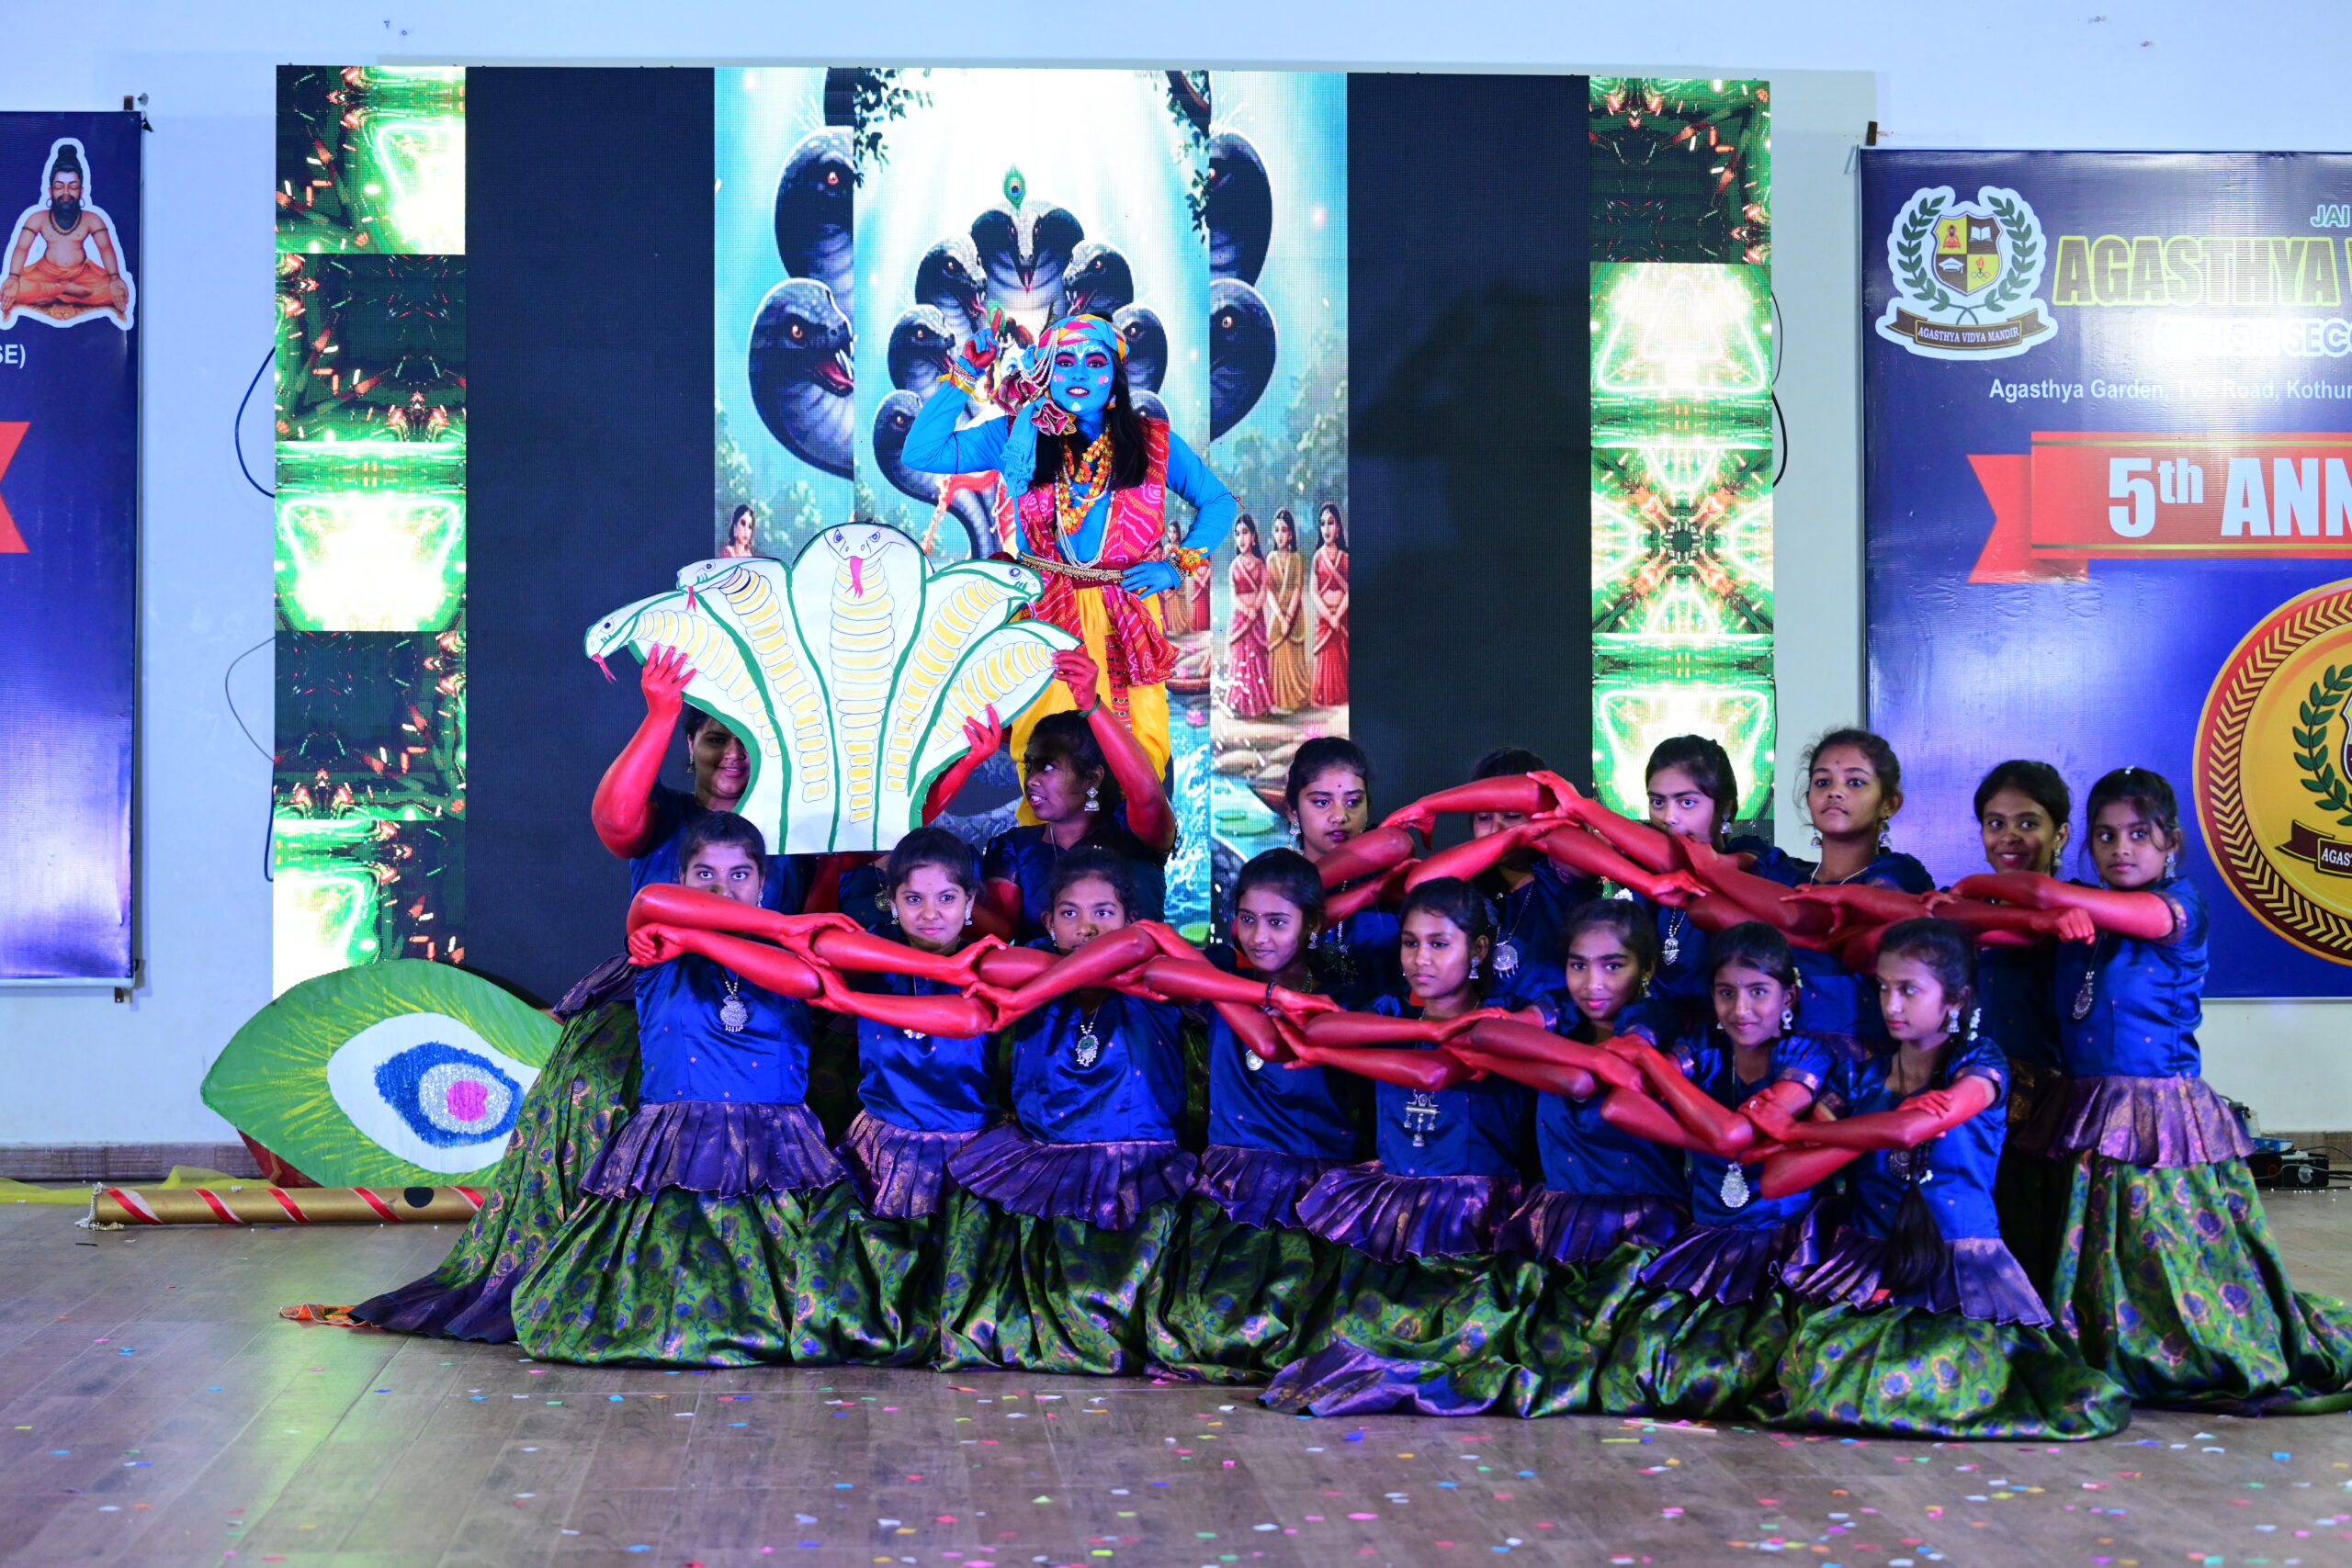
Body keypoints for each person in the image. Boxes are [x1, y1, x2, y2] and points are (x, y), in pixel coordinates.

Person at [509, 815, 988, 1366]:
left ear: (763, 883)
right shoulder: (655, 940)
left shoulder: (796, 951)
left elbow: (810, 980)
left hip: (777, 1150)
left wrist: (956, 967)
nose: (722, 888)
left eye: (739, 875)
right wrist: (728, 931)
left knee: (819, 1300)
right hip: (677, 1147)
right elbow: (654, 902)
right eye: (705, 874)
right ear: (681, 880)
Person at [1952, 768, 2352, 1413]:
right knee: (2100, 1252)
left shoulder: (2177, 907)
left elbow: (2041, 892)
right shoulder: (2083, 914)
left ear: (2172, 841)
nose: (2121, 849)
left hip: (2159, 1116)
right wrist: (1958, 907)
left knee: (2165, 1251)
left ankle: (2187, 1345)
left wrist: (1978, 885)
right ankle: (2115, 1341)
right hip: (2090, 1109)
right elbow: (1988, 927)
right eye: (2106, 835)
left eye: (2139, 833)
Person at [937, 848, 1322, 1374]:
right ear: (1048, 923)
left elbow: (1146, 956)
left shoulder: (1159, 976)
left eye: (1104, 913)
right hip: (1045, 1162)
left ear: (1131, 920)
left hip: (1136, 1169)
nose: (1088, 928)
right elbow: (1000, 965)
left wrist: (1136, 959)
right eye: (1070, 913)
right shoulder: (1028, 967)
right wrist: (1095, 973)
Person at [1753, 919, 2132, 1438]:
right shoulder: (1858, 1079)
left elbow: (1915, 1129)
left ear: (1955, 1000)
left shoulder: (1980, 1065)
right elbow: (1777, 1179)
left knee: (1947, 1372)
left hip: (1961, 1268)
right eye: (1883, 987)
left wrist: (1803, 1130)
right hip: (1869, 1266)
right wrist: (1851, 1133)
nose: (1891, 1005)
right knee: (1823, 1371)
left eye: (1909, 990)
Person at [903, 310, 1238, 778]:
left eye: (1094, 362)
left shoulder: (1152, 442)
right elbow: (921, 452)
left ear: (1115, 376)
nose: (1079, 373)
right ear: (1045, 371)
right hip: (1047, 617)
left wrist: (1175, 566)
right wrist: (965, 372)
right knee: (1048, 765)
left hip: (1128, 616)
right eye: (1064, 362)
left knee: (1136, 766)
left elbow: (1220, 503)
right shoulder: (1014, 434)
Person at [1585, 922, 1832, 1419]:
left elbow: (1736, 1133)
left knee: (1749, 1370)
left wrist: (1653, 1065)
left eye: (1758, 992)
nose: (1740, 1010)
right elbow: (1619, 1106)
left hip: (1781, 1247)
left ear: (1789, 996)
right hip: (1706, 1240)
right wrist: (1714, 1140)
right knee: (1638, 1368)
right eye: (1726, 993)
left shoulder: (1806, 1055)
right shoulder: (1704, 1050)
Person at [1147, 850, 1372, 1382]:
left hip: (1312, 1187)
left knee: (1295, 1331)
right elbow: (1159, 968)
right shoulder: (1223, 981)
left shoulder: (1339, 1000)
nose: (1259, 937)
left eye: (1277, 922)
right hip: (1231, 1178)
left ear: (1311, 926)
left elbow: (1274, 1044)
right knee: (1200, 1329)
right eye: (1247, 919)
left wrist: (1229, 989)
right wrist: (1250, 992)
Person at [978, 647, 1174, 939]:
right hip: (1040, 970)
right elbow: (999, 934)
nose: (1031, 780)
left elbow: (1147, 795)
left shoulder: (1132, 836)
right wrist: (948, 900)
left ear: (1092, 777)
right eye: (1030, 766)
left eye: (1048, 767)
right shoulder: (1015, 848)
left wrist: (1092, 705)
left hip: (1132, 970)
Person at [1283, 738, 1401, 1005]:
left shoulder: (1390, 872)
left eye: (1353, 802)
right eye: (1322, 802)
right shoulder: (1274, 881)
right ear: (1292, 811)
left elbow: (1397, 842)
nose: (1340, 816)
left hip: (1388, 1023)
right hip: (1300, 1022)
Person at [1, 141, 130, 322]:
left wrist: (115, 278)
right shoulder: (37, 218)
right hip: (45, 274)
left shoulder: (92, 219)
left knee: (114, 291)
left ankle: (53, 294)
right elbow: (21, 248)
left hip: (81, 276)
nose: (66, 192)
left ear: (81, 191)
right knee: (12, 290)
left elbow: (106, 248)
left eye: (73, 187)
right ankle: (64, 291)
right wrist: (13, 278)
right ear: (50, 191)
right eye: (59, 187)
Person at [1225, 513, 1274, 721]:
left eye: (1245, 533)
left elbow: (1264, 590)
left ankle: (1260, 704)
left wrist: (1256, 608)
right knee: (1241, 660)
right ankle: (1240, 703)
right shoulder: (1234, 566)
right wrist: (1247, 611)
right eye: (1237, 534)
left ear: (1253, 537)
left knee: (1257, 660)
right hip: (1241, 620)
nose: (1241, 538)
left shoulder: (1261, 565)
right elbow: (1234, 596)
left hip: (1257, 621)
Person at [1265, 508, 1313, 712]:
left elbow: (1297, 589)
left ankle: (1296, 699)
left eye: (1284, 530)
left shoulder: (1297, 559)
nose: (1280, 535)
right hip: (1277, 615)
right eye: (1276, 530)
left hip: (1294, 616)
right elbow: (1268, 590)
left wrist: (1289, 617)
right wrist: (1280, 616)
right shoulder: (1270, 559)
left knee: (1293, 656)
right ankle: (1278, 700)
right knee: (1276, 654)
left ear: (1291, 534)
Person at [1310, 502, 1350, 708]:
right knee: (1326, 657)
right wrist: (1328, 615)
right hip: (1325, 620)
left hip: (1342, 617)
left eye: (1331, 523)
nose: (1326, 528)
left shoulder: (1346, 558)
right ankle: (1326, 697)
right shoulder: (1318, 558)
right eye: (1323, 523)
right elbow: (1313, 592)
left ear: (1339, 528)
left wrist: (1338, 615)